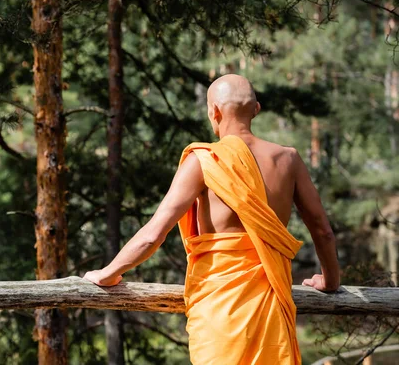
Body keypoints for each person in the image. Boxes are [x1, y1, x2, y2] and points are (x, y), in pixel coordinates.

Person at [83, 74, 340, 364]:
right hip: (270, 303)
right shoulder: (288, 159)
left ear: (213, 111)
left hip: (220, 311)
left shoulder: (205, 161)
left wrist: (109, 273)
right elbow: (323, 231)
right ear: (255, 109)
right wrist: (330, 281)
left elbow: (153, 234)